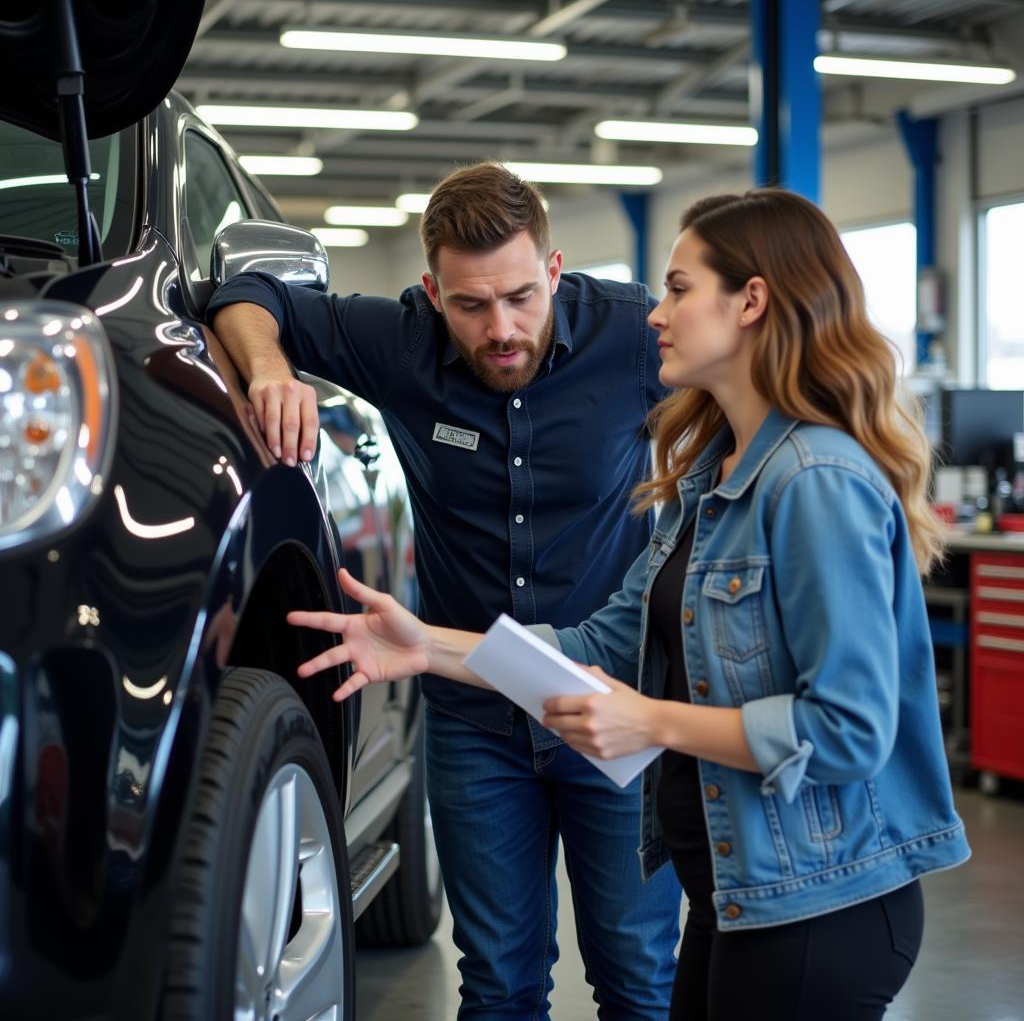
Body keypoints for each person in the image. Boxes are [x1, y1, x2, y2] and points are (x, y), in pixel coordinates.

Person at [285, 188, 971, 1021]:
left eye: (679, 290)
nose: (654, 315)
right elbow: (604, 641)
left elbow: (851, 730)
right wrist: (428, 645)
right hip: (742, 889)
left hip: (820, 899)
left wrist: (650, 722)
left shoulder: (815, 481)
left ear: (750, 302)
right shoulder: (707, 488)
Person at [207, 162, 681, 1020]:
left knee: (639, 980)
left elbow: (753, 391)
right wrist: (273, 369)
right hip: (476, 723)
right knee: (498, 984)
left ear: (555, 269)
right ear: (431, 292)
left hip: (612, 709)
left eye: (522, 297)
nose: (501, 328)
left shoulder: (631, 336)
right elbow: (246, 293)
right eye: (469, 305)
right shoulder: (399, 341)